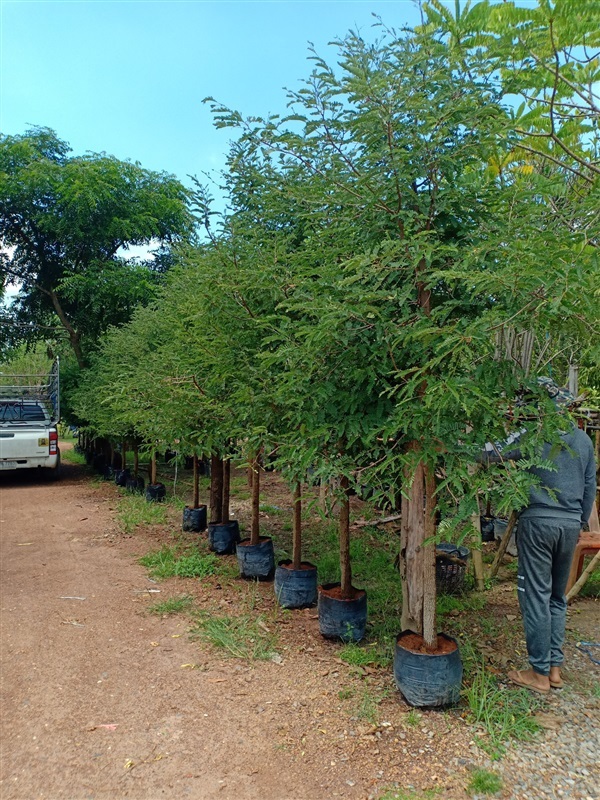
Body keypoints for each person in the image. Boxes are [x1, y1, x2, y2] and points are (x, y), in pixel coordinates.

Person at [483, 377, 597, 694]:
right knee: (557, 598)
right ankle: (555, 669)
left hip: (538, 523)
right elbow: (589, 492)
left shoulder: (534, 436)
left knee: (535, 597)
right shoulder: (584, 441)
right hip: (570, 525)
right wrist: (578, 524)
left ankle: (538, 673)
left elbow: (490, 453)